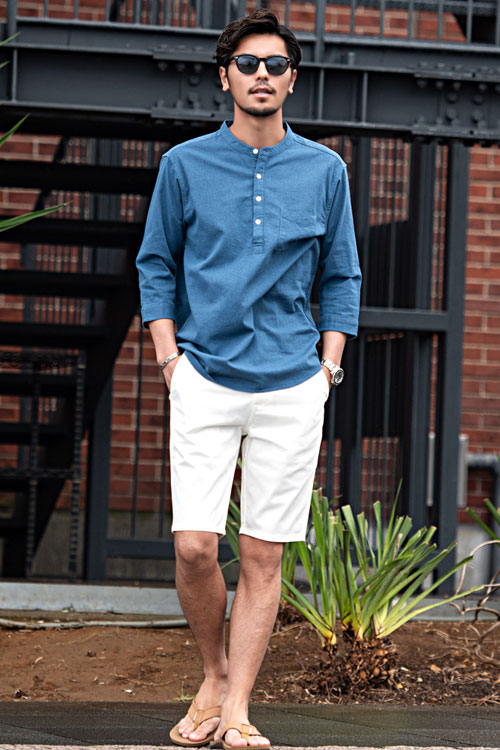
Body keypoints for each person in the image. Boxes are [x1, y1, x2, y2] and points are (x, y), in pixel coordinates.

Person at [136, 8, 361, 749]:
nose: (261, 74)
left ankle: (236, 706)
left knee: (264, 554)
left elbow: (343, 275)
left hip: (293, 384)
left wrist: (327, 368)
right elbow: (156, 263)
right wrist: (170, 361)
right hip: (203, 375)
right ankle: (213, 672)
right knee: (195, 547)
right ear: (224, 75)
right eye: (247, 63)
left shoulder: (325, 171)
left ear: (292, 79)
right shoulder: (185, 165)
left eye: (275, 64)